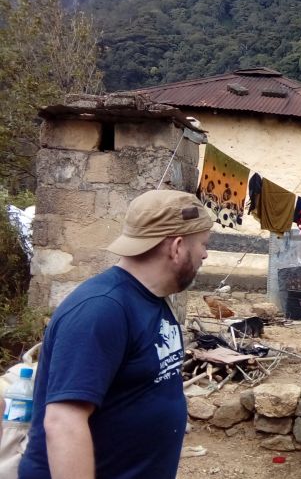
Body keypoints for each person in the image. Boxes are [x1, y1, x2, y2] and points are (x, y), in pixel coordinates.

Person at [19, 190, 213, 479]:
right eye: (203, 245)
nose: (205, 254)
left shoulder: (153, 298)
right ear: (176, 247)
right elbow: (64, 422)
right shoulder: (102, 310)